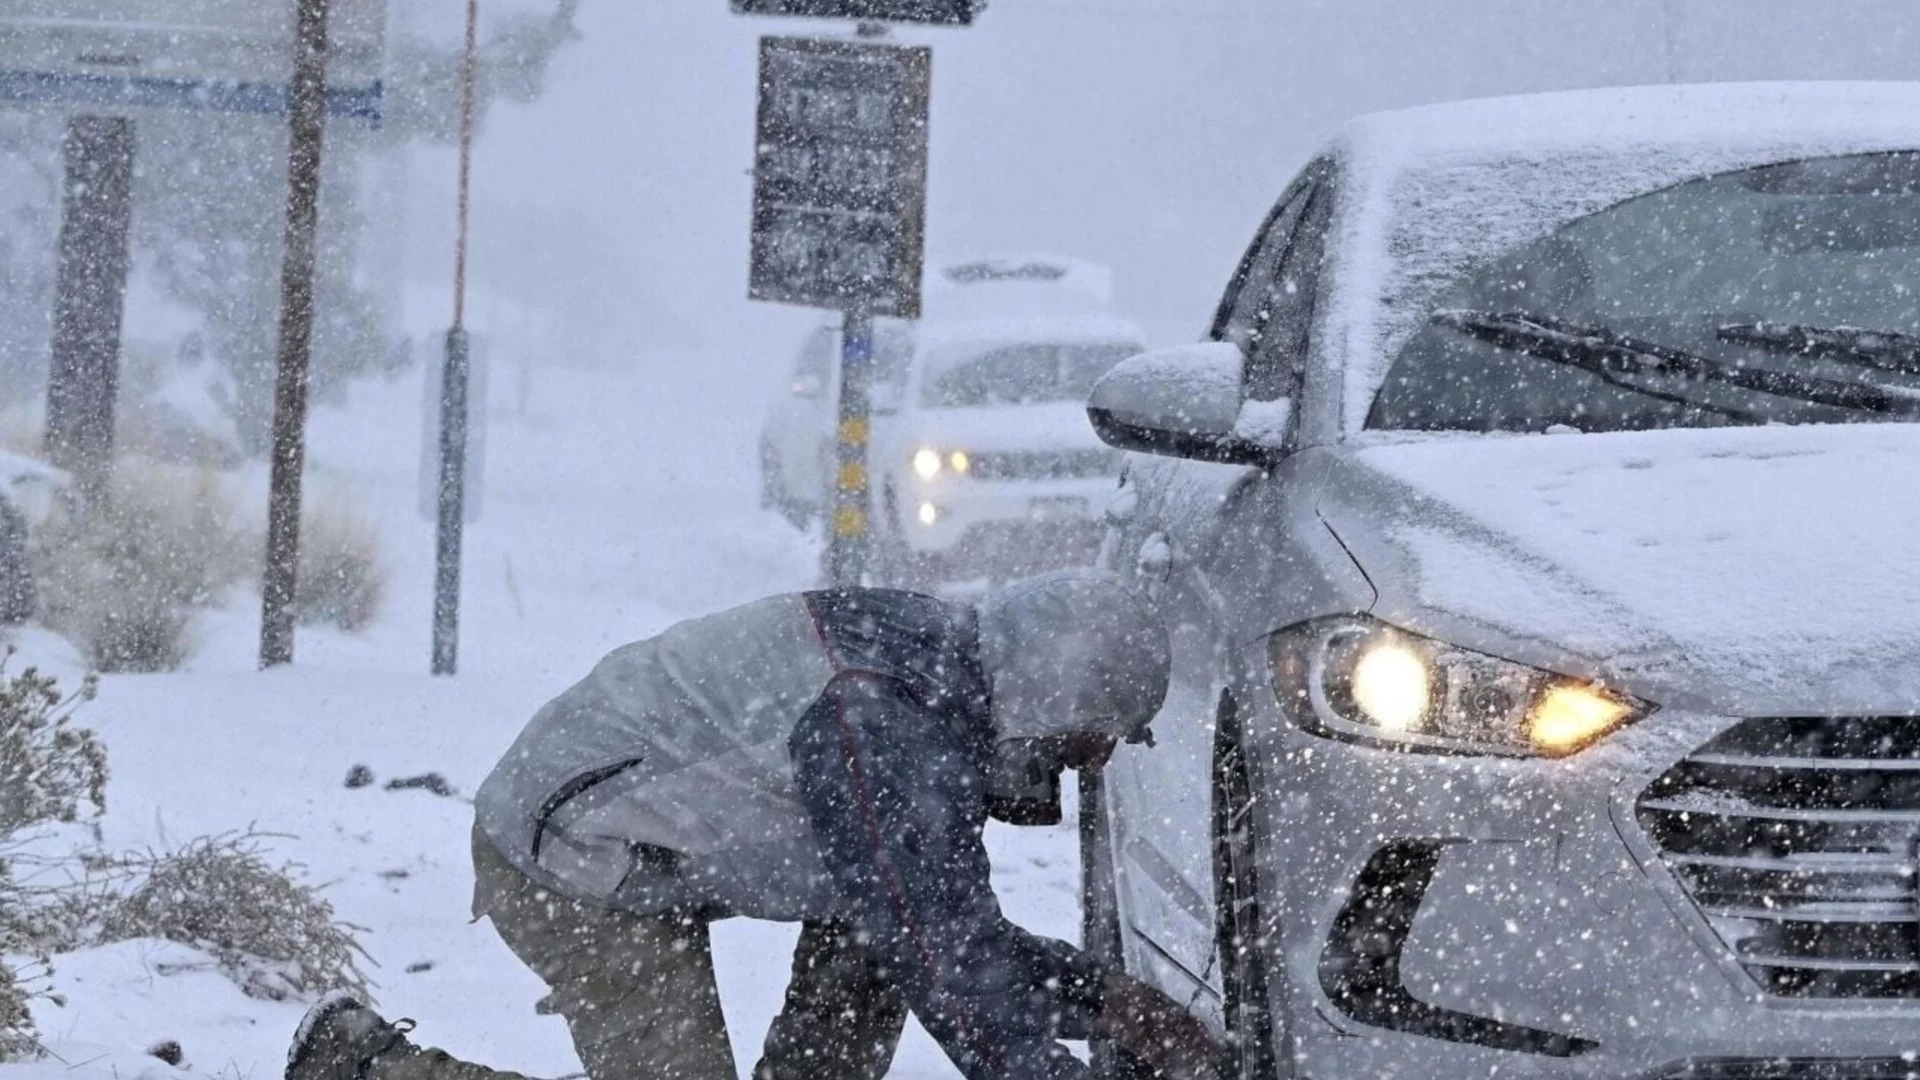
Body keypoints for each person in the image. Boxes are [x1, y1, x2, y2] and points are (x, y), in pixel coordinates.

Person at [285, 570, 1220, 1080]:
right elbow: (952, 975)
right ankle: (366, 1068)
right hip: (572, 853)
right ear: (1049, 695)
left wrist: (1103, 1001)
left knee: (871, 948)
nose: (1090, 764)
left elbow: (941, 933)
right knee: (888, 943)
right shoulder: (887, 727)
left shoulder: (947, 676)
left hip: (658, 838)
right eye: (1085, 740)